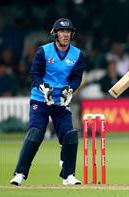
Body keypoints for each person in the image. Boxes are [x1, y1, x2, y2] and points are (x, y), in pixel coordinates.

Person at [10, 18, 85, 186]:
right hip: (41, 98)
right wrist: (43, 87)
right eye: (62, 32)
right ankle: (20, 174)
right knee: (36, 132)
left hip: (61, 101)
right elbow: (35, 74)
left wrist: (69, 89)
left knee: (70, 135)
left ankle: (68, 175)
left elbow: (76, 78)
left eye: (68, 32)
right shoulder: (43, 51)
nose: (65, 35)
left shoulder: (78, 55)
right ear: (55, 34)